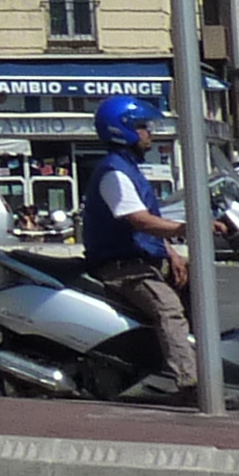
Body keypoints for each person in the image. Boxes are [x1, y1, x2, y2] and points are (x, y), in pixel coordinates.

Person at [78, 95, 199, 399]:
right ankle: (189, 384)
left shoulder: (128, 167)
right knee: (169, 309)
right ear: (124, 130)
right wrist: (190, 228)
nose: (150, 134)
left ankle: (196, 359)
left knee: (200, 289)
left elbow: (149, 223)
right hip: (122, 267)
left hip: (140, 260)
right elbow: (140, 221)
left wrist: (171, 252)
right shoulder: (114, 173)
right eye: (143, 127)